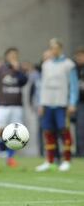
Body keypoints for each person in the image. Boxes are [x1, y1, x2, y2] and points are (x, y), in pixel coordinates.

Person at [35, 38, 79, 172]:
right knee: (48, 131)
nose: (52, 50)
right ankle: (50, 160)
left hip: (61, 103)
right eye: (51, 48)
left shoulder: (68, 64)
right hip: (47, 103)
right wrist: (41, 103)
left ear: (60, 49)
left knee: (64, 130)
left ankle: (66, 160)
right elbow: (43, 86)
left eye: (54, 48)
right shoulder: (46, 64)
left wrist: (72, 102)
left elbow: (74, 85)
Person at [0, 48, 28, 168]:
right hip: (3, 105)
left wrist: (17, 70)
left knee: (14, 132)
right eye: (11, 55)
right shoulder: (0, 69)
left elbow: (24, 81)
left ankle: (10, 158)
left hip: (17, 105)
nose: (14, 57)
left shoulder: (20, 69)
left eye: (16, 55)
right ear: (7, 57)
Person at [73, 46, 84, 157]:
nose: (79, 58)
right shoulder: (75, 69)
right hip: (79, 102)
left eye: (81, 56)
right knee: (79, 128)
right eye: (77, 57)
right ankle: (80, 152)